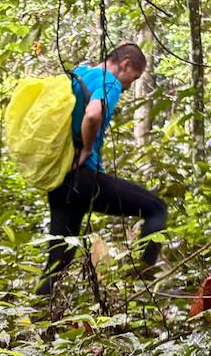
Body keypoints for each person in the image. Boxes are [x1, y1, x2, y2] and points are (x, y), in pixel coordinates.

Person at [38, 42, 167, 297]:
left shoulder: (80, 73)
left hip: (60, 180)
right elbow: (93, 115)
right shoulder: (110, 82)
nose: (130, 85)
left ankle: (40, 313)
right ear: (126, 65)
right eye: (135, 77)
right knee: (157, 208)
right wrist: (87, 148)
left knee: (58, 258)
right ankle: (143, 282)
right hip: (83, 177)